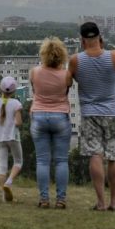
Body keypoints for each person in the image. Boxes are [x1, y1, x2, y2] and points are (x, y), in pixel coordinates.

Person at [68, 22, 115, 211]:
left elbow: (71, 79)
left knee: (95, 155)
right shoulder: (114, 56)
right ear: (100, 37)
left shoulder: (76, 60)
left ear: (82, 40)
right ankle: (114, 202)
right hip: (113, 112)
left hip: (89, 113)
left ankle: (100, 202)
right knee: (113, 155)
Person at [29, 37, 73, 209]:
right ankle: (61, 199)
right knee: (61, 161)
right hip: (60, 117)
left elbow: (34, 90)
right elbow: (66, 91)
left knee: (42, 161)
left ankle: (44, 199)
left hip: (39, 116)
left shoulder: (35, 72)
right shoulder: (66, 75)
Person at [0, 76, 23, 202]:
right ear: (13, 91)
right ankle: (9, 182)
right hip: (12, 136)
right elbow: (18, 123)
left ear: (0, 89)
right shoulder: (16, 104)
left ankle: (4, 197)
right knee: (18, 162)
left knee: (2, 165)